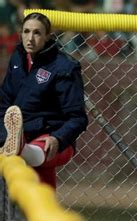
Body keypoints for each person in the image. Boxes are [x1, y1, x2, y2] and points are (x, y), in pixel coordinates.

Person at [0, 12, 88, 189]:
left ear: (48, 36)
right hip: (20, 133)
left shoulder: (65, 67)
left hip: (51, 138)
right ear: (21, 33)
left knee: (36, 154)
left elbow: (78, 117)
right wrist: (4, 136)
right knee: (42, 194)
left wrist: (58, 137)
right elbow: (4, 103)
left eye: (37, 33)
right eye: (26, 31)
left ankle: (21, 149)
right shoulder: (17, 58)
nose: (30, 38)